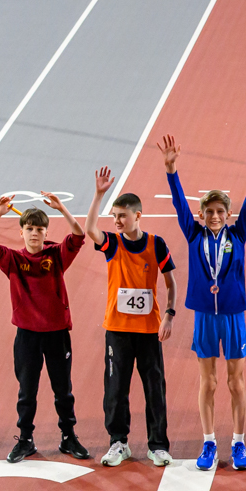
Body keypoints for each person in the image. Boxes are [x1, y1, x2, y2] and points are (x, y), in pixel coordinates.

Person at [159, 134, 246, 472]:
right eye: (209, 212)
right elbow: (179, 204)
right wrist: (171, 170)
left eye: (221, 211)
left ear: (228, 214)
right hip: (205, 315)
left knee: (236, 382)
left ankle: (238, 442)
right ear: (201, 214)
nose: (215, 216)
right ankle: (208, 442)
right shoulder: (194, 234)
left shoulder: (238, 234)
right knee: (208, 382)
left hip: (233, 314)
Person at [0, 193, 90, 463]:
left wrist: (61, 208)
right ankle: (25, 440)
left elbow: (79, 235)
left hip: (56, 334)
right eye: (29, 229)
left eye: (39, 229)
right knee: (27, 391)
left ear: (46, 233)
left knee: (63, 390)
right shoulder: (13, 259)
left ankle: (68, 436)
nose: (34, 234)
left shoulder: (57, 256)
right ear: (21, 233)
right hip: (27, 336)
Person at [84, 168, 177, 467]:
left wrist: (169, 315)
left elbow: (171, 282)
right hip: (117, 329)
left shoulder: (156, 244)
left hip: (149, 330)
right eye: (114, 216)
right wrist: (99, 195)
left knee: (154, 388)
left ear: (138, 215)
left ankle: (158, 445)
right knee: (115, 389)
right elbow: (90, 229)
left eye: (122, 216)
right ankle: (118, 442)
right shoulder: (112, 244)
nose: (117, 221)